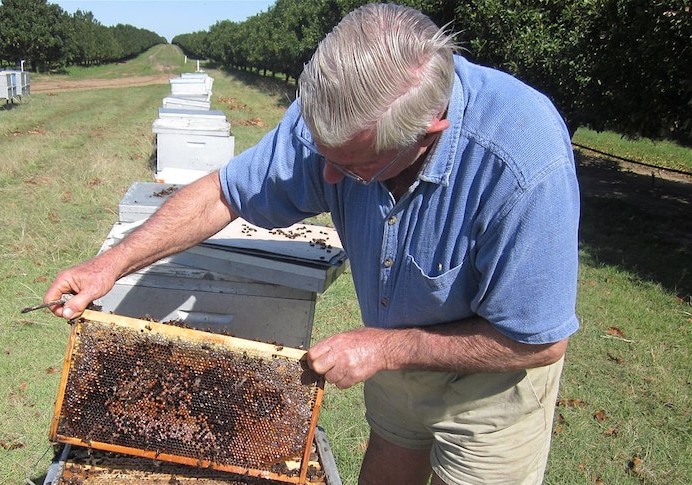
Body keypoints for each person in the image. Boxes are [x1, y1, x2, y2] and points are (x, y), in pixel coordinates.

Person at [44, 3, 580, 484]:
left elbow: (537, 340)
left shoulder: (523, 163)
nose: (326, 178)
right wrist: (111, 264)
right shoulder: (339, 115)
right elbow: (222, 194)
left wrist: (384, 347)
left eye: (352, 165)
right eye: (323, 152)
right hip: (393, 357)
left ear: (427, 133)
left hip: (493, 380)